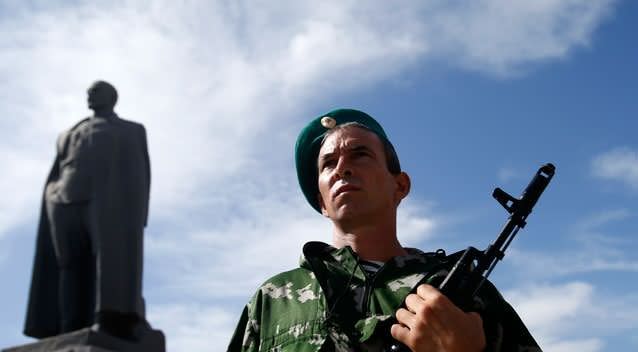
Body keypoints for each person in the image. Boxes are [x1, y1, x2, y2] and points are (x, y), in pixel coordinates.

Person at [227, 109, 541, 352]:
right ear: (322, 202)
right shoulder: (273, 301)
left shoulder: (460, 293)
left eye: (359, 154)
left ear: (400, 185)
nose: (342, 168)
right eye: (328, 163)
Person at [24, 81, 151, 341]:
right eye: (89, 91)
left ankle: (106, 319)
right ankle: (68, 325)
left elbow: (140, 176)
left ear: (111, 97)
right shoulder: (69, 133)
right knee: (68, 265)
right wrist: (53, 195)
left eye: (96, 91)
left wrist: (137, 218)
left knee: (107, 263)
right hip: (64, 203)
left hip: (107, 205)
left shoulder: (130, 131)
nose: (89, 95)